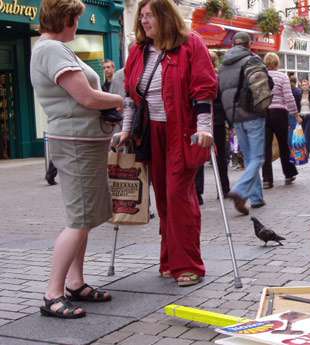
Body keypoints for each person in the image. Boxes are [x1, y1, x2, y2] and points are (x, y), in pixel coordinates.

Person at [30, 0, 123, 319]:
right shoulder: (51, 50)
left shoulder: (52, 48)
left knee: (83, 217)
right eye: (76, 19)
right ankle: (52, 293)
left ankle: (75, 282)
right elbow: (86, 96)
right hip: (75, 142)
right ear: (65, 19)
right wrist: (121, 99)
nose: (78, 25)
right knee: (78, 218)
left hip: (81, 140)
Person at [120, 0, 217, 286]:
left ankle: (188, 265)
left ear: (165, 16)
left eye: (149, 16)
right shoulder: (138, 51)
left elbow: (203, 89)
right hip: (150, 133)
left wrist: (204, 127)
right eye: (142, 17)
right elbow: (130, 94)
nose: (144, 22)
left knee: (179, 197)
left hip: (182, 131)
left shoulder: (190, 44)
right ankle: (169, 260)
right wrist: (126, 129)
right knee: (162, 197)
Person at [218, 32, 266, 214]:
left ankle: (256, 198)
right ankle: (240, 191)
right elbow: (263, 86)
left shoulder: (223, 65)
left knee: (249, 157)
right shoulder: (251, 60)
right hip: (252, 113)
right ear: (249, 44)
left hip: (235, 117)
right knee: (258, 158)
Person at [262, 52, 298, 190]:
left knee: (266, 147)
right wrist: (295, 113)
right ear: (277, 63)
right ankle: (288, 173)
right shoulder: (282, 77)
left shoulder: (261, 76)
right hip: (280, 113)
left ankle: (267, 179)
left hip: (265, 113)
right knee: (283, 145)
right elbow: (288, 97)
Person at [210, 51, 230, 197]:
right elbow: (225, 101)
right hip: (217, 121)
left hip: (200, 121)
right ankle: (223, 188)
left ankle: (198, 193)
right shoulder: (219, 79)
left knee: (198, 157)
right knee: (220, 156)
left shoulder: (197, 76)